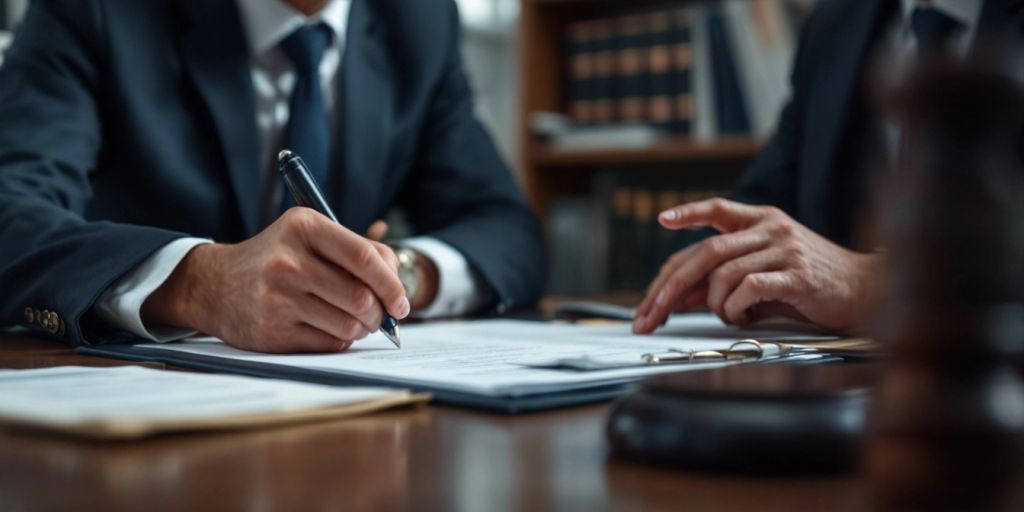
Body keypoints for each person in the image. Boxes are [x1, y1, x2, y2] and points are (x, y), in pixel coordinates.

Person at [0, 0, 546, 353]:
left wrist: (398, 276)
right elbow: (11, 211)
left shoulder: (417, 21)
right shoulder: (96, 11)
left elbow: (507, 229)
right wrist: (200, 283)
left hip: (342, 416)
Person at [634, 0, 1021, 335]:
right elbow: (770, 193)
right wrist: (719, 263)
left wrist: (867, 282)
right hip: (842, 386)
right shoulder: (836, 21)